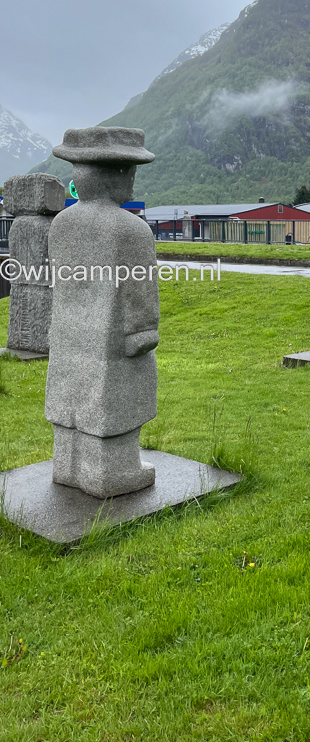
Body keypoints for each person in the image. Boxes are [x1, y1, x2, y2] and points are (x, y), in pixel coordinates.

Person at [45, 127, 159, 498]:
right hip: (113, 335)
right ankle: (116, 471)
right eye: (130, 171)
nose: (132, 180)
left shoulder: (61, 224)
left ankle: (69, 466)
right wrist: (143, 333)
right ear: (118, 174)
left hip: (68, 331)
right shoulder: (131, 230)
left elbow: (60, 282)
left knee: (73, 395)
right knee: (117, 394)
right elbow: (138, 291)